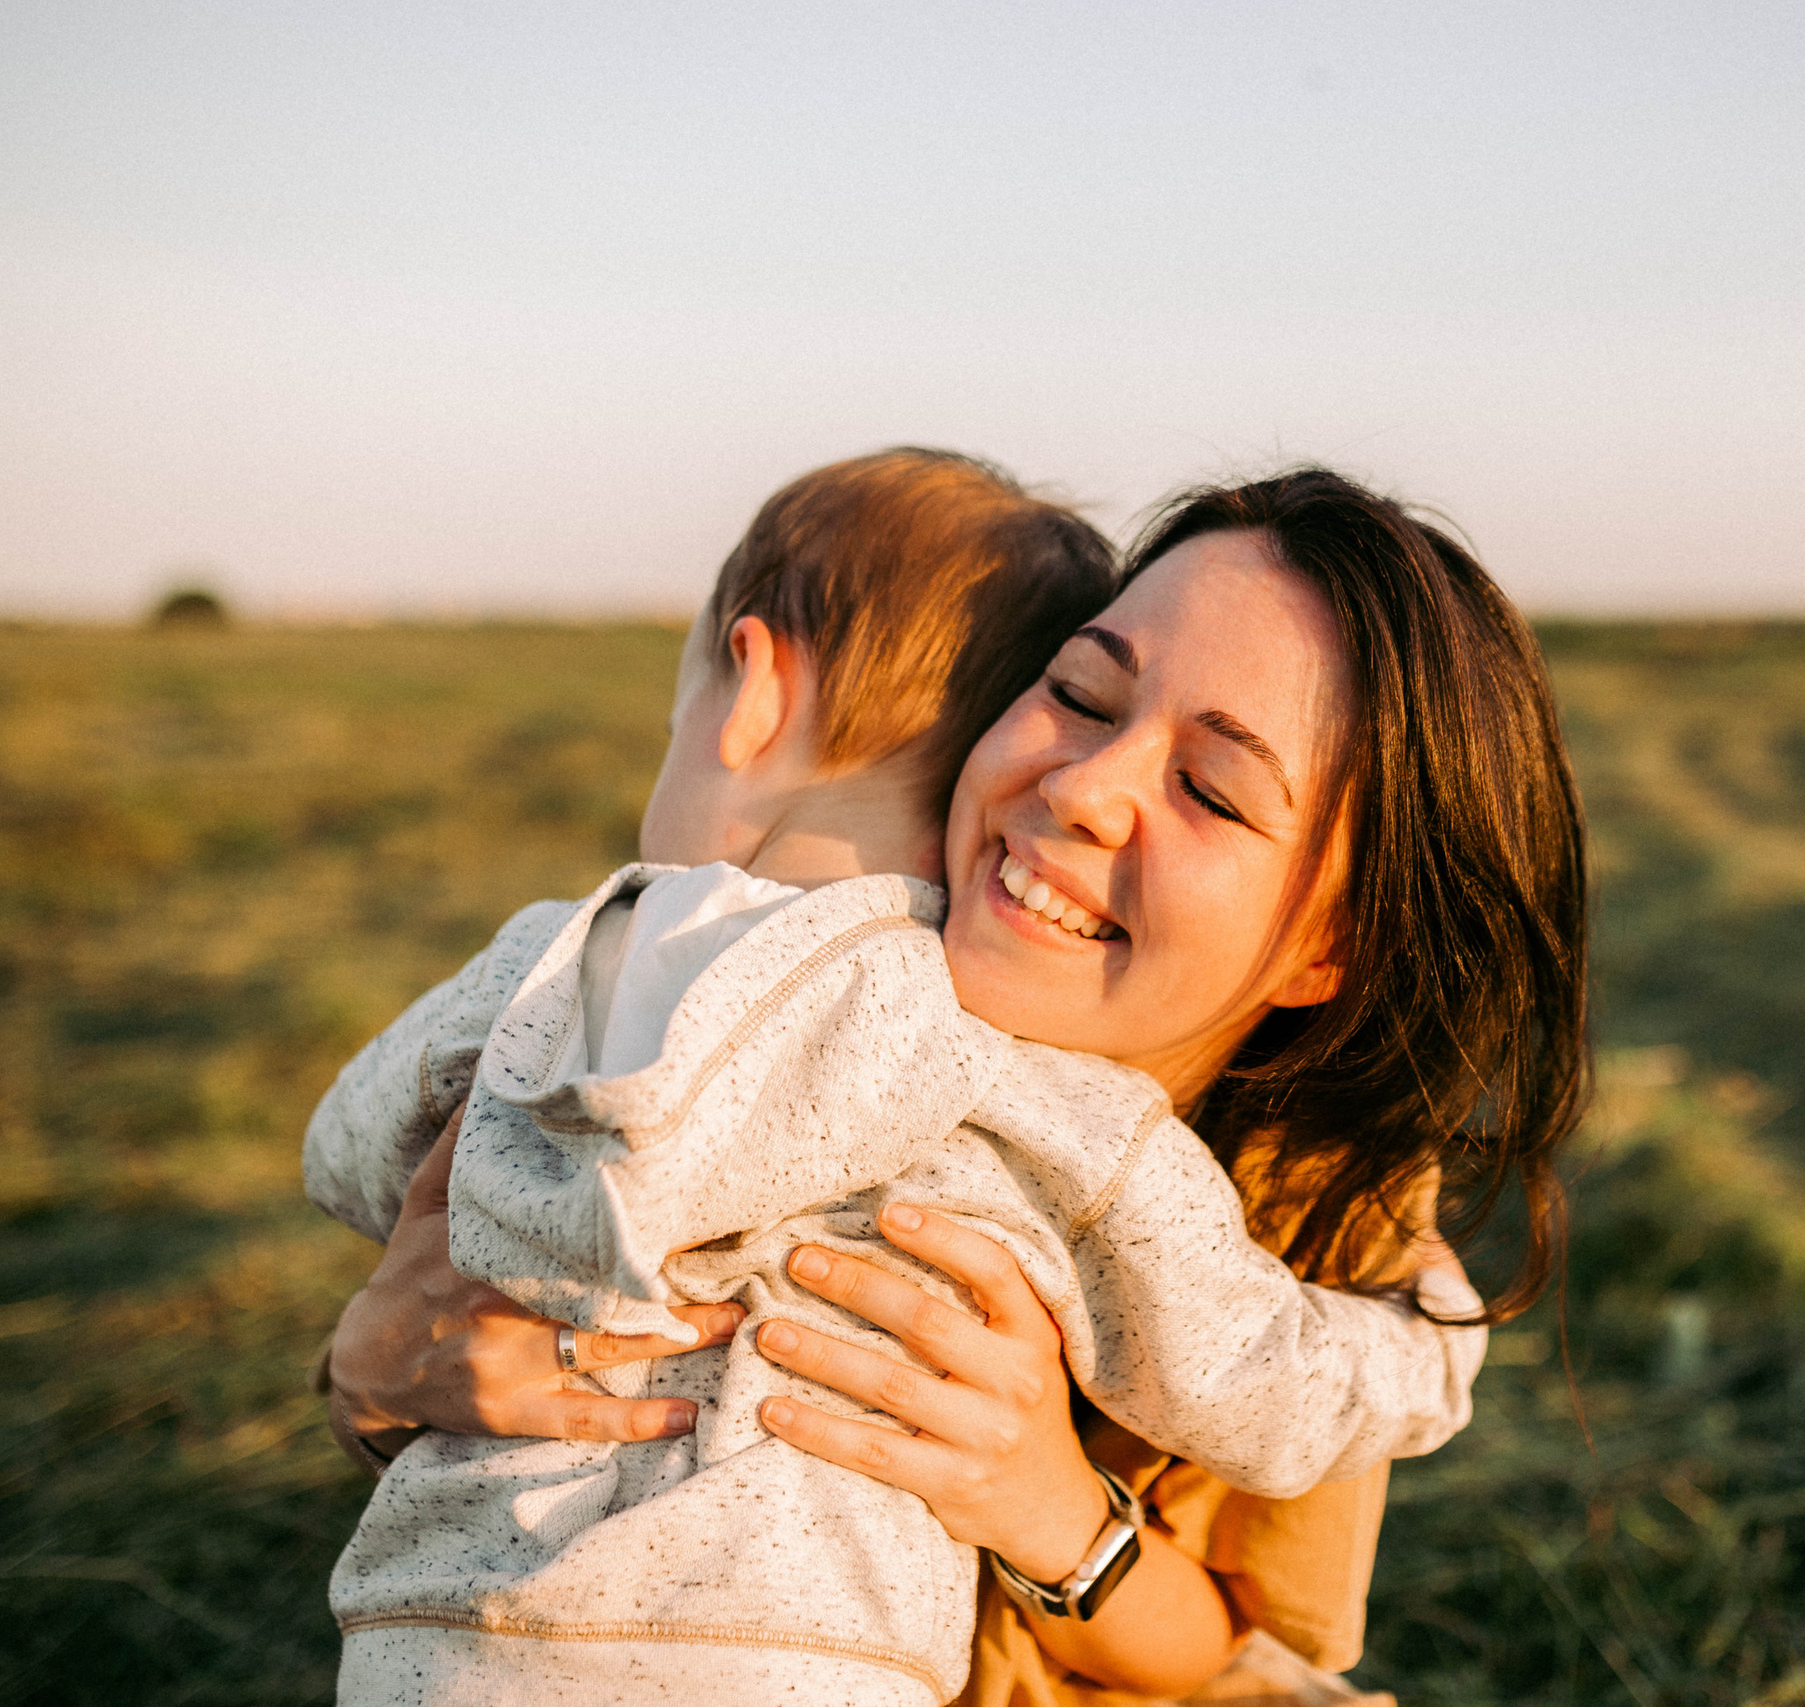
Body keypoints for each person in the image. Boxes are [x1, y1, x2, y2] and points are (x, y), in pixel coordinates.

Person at [322, 467, 1588, 1703]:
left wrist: (1047, 1505)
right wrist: (374, 1375)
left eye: (1209, 790)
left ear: (1329, 947)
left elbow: (1258, 1656)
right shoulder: (881, 1024)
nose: (1085, 791)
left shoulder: (1321, 1201)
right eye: (1082, 696)